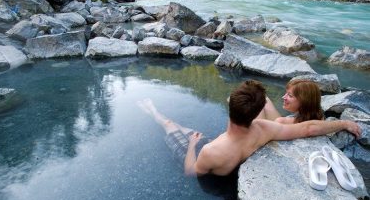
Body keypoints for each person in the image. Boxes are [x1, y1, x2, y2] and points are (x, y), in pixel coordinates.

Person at [138, 80, 361, 177]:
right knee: (183, 128)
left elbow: (190, 172)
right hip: (223, 145)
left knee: (169, 125)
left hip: (202, 154)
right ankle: (165, 119)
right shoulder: (265, 129)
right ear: (256, 113)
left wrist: (193, 146)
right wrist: (343, 123)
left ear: (229, 109)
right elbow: (308, 128)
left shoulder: (210, 151)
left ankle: (151, 111)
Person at [258, 79, 324, 123]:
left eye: (290, 95)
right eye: (286, 93)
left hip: (274, 129)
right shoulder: (319, 118)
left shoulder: (281, 121)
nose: (283, 97)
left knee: (257, 102)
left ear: (304, 101)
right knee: (262, 97)